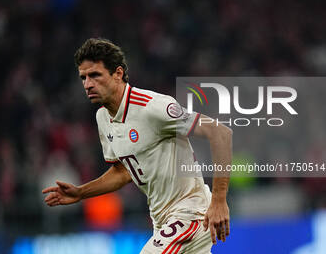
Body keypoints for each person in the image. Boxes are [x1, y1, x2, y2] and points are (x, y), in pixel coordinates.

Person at [42, 38, 232, 253]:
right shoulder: (103, 118)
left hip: (191, 213)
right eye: (83, 77)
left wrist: (219, 200)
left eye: (95, 75)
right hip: (162, 221)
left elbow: (220, 133)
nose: (87, 84)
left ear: (118, 74)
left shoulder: (152, 107)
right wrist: (81, 193)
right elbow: (123, 171)